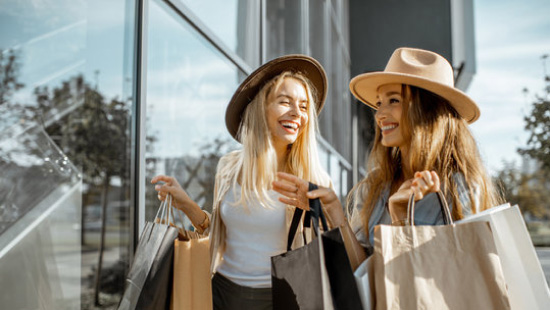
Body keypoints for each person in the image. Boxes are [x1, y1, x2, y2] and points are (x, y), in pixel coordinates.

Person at [273, 47, 503, 255]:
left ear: (428, 111)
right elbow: (360, 269)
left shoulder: (460, 186)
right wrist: (333, 210)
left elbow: (461, 272)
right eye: (379, 103)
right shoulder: (375, 185)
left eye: (393, 100)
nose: (379, 114)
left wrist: (402, 220)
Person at [152, 54, 331, 309]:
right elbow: (227, 236)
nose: (296, 113)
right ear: (261, 107)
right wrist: (188, 206)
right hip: (220, 295)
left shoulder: (313, 179)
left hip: (280, 300)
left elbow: (325, 255)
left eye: (303, 106)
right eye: (285, 102)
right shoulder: (228, 166)